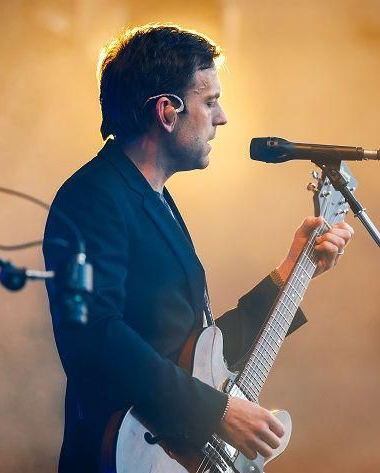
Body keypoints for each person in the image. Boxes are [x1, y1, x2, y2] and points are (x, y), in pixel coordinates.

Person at [43, 23, 353, 472]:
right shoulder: (92, 197)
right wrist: (217, 412)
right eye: (209, 102)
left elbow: (200, 357)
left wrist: (291, 272)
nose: (222, 117)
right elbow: (93, 337)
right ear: (167, 112)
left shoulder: (157, 199)